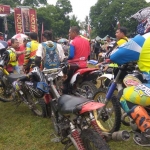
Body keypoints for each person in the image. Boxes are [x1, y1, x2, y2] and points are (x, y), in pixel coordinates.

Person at [109, 9, 150, 146]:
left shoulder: (143, 39)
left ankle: (148, 132)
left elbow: (114, 56)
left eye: (140, 21)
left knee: (123, 95)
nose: (139, 24)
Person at [62, 26, 90, 94]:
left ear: (74, 32)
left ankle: (65, 96)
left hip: (74, 65)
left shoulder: (73, 42)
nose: (69, 34)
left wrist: (66, 58)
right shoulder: (86, 41)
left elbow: (71, 56)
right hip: (84, 65)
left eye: (70, 33)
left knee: (65, 82)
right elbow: (89, 54)